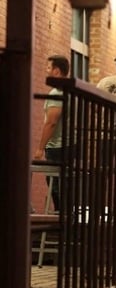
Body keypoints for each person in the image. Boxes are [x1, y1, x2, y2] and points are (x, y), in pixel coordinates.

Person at [34, 54, 69, 212]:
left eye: (48, 67)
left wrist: (40, 148)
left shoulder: (56, 93)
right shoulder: (70, 91)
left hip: (57, 147)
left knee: (55, 188)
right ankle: (67, 222)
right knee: (67, 188)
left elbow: (51, 121)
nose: (45, 70)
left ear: (56, 71)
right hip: (70, 145)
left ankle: (58, 224)